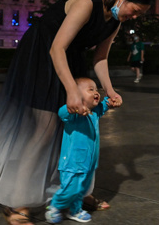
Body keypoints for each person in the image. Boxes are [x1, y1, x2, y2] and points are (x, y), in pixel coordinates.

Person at [0, 0, 156, 225]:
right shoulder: (86, 4)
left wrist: (110, 90)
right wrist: (71, 90)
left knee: (71, 132)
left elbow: (100, 58)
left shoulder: (115, 23)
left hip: (70, 61)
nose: (135, 17)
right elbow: (57, 48)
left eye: (140, 14)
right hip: (43, 59)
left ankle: (71, 194)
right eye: (136, 10)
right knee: (43, 133)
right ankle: (17, 203)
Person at [46, 78, 113, 224]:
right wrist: (75, 107)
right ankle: (54, 206)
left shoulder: (93, 112)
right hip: (73, 162)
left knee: (80, 189)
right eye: (91, 89)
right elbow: (62, 112)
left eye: (96, 89)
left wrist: (110, 100)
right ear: (76, 94)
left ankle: (75, 210)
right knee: (71, 188)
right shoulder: (73, 114)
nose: (96, 92)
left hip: (88, 162)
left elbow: (103, 107)